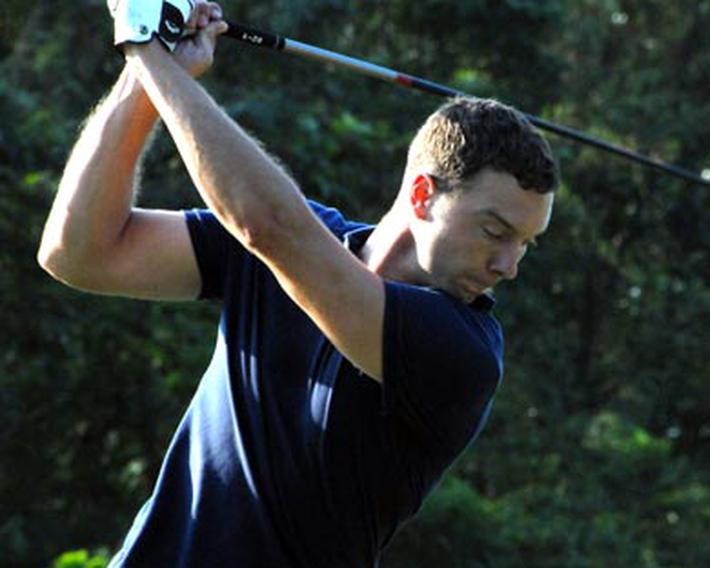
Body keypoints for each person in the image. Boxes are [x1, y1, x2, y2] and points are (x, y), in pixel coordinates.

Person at [38, 1, 559, 565]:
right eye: (495, 231)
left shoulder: (463, 350)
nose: (509, 265)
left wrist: (143, 45)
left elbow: (268, 228)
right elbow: (79, 253)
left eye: (527, 244)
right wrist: (145, 69)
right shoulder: (300, 241)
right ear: (421, 195)